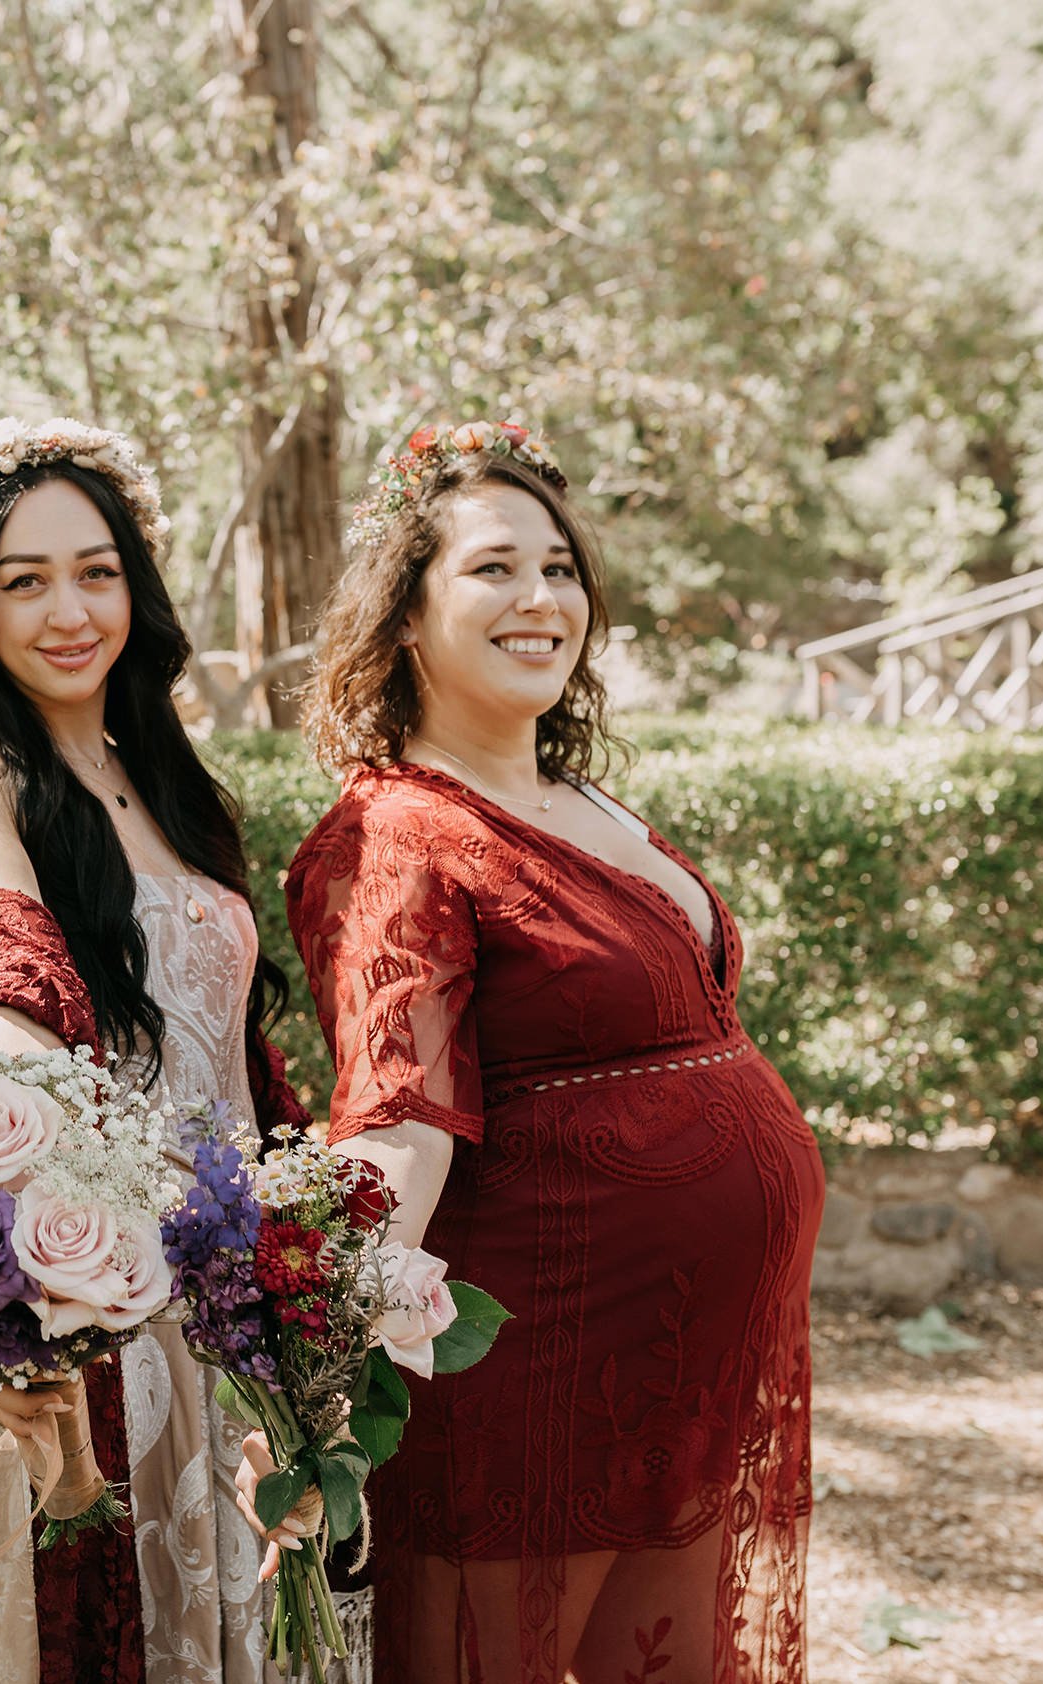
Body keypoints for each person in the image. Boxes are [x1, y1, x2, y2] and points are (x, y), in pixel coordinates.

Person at [273, 420, 823, 1681]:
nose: (541, 598)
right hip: (540, 1376)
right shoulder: (399, 835)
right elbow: (396, 1120)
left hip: (683, 1369)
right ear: (404, 618)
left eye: (561, 568)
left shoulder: (584, 799)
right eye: (493, 569)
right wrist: (322, 1375)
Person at [0, 419, 321, 1684]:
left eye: (94, 571)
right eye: (22, 580)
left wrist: (315, 1268)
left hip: (229, 1289)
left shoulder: (178, 784)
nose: (66, 610)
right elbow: (3, 987)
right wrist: (42, 1251)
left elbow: (233, 1053)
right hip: (94, 1280)